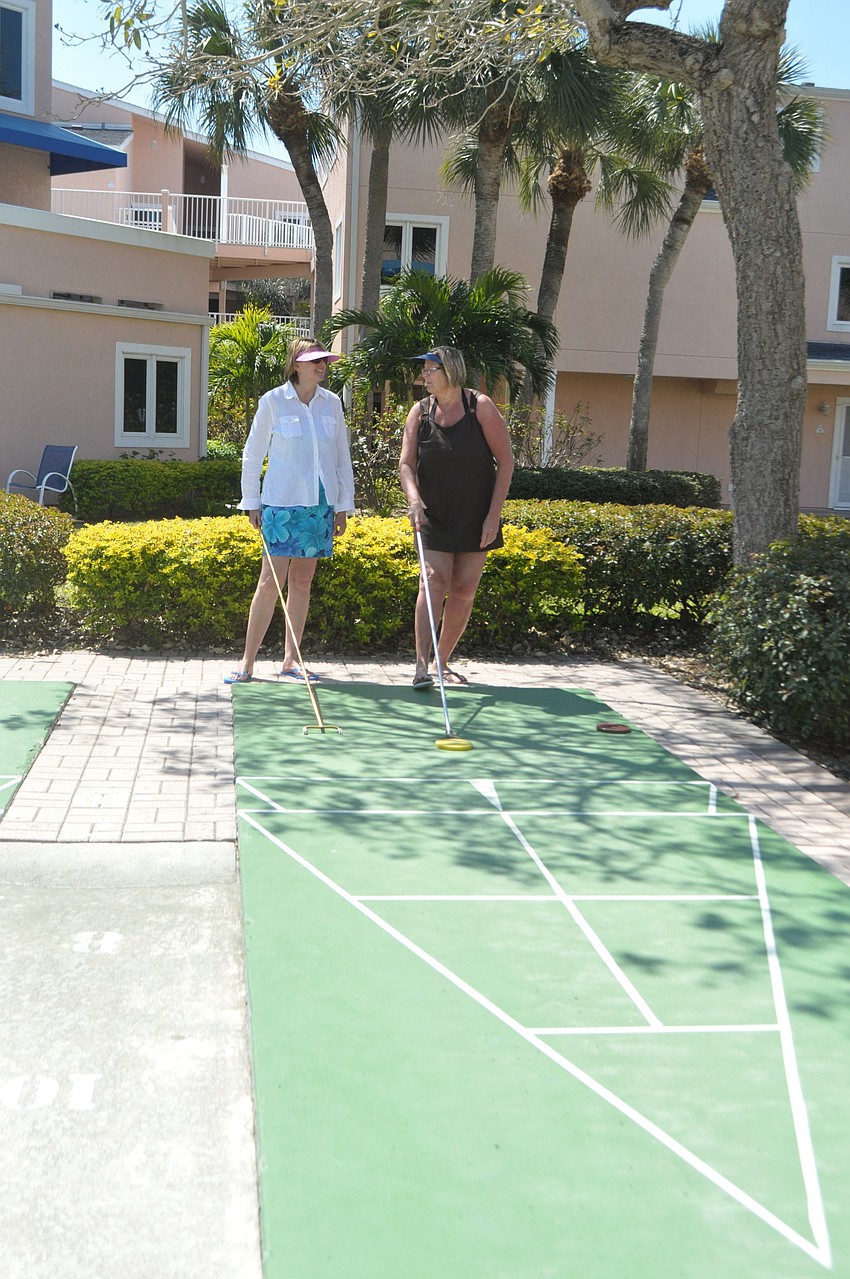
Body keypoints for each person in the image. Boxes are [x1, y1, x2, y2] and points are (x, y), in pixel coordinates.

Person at [224, 338, 355, 684]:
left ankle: (291, 660)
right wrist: (251, 501)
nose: (322, 366)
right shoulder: (273, 401)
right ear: (296, 364)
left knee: (303, 581)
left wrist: (343, 506)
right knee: (269, 583)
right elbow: (253, 454)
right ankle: (247, 662)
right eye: (314, 361)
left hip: (320, 505)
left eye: (324, 360)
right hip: (280, 504)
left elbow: (342, 457)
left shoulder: (332, 404)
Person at [399, 345, 514, 689]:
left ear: (451, 371)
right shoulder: (420, 412)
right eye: (424, 369)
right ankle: (421, 665)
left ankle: (442, 660)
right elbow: (406, 463)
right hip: (432, 513)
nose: (425, 375)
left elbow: (506, 462)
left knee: (463, 590)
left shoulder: (479, 407)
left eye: (431, 369)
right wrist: (414, 499)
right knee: (433, 581)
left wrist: (493, 516)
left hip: (476, 513)